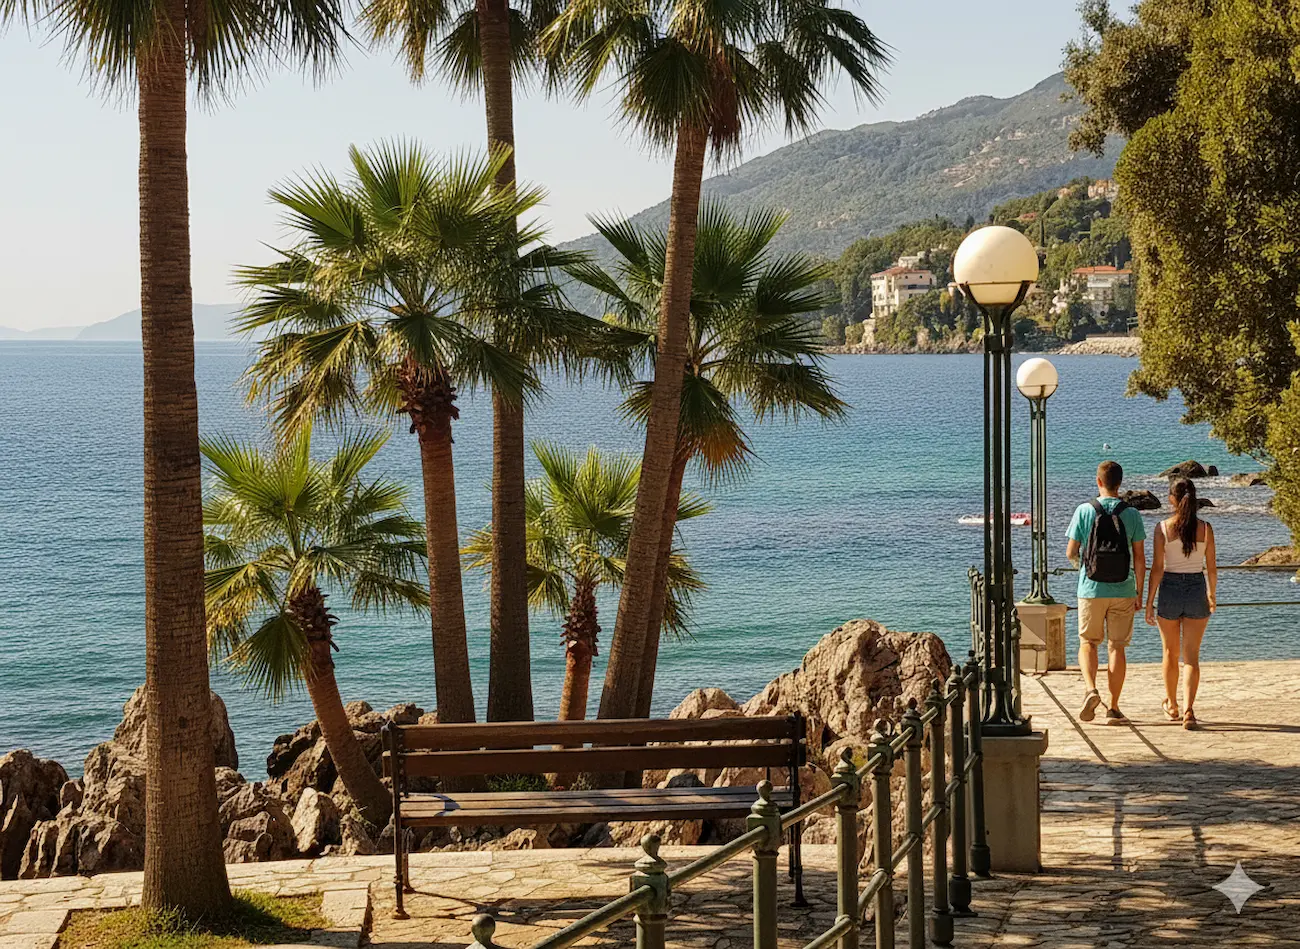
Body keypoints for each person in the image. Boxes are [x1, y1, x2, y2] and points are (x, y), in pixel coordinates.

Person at [1066, 461, 1146, 724]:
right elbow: (1139, 558)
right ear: (1120, 483)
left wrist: (1083, 567)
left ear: (1098, 482)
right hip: (1124, 588)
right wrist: (1139, 592)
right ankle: (1113, 707)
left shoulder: (1084, 510)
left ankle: (1091, 689)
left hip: (1090, 587)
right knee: (1117, 647)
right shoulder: (1132, 514)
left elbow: (1071, 552)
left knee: (1088, 643)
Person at [1145, 477, 1216, 729]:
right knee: (1192, 657)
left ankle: (1172, 705)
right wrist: (1211, 594)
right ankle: (1188, 710)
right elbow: (1211, 568)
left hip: (1170, 589)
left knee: (1169, 653)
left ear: (1172, 499)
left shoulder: (1162, 528)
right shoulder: (1206, 528)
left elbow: (1157, 569)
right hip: (1197, 587)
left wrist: (1149, 601)